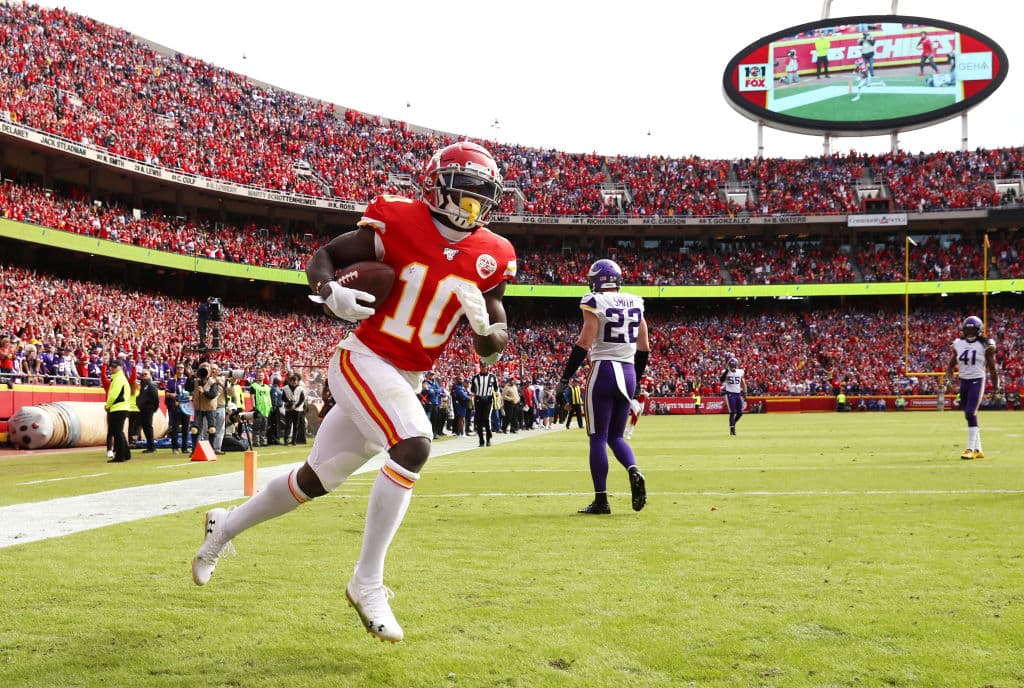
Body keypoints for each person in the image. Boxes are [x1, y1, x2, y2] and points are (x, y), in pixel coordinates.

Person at [190, 141, 516, 643]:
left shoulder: (494, 254)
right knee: (414, 443)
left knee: (315, 479)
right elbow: (324, 257)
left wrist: (485, 333)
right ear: (438, 187)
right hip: (362, 358)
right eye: (468, 195)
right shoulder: (399, 220)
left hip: (407, 375)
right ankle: (367, 582)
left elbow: (494, 342)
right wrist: (329, 292)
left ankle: (222, 530)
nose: (476, 207)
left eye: (483, 198)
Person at [555, 258, 650, 515]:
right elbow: (644, 347)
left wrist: (564, 379)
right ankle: (634, 470)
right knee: (616, 436)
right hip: (629, 370)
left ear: (596, 280)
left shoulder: (595, 300)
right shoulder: (636, 302)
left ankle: (601, 500)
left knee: (597, 437)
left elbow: (585, 341)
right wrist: (637, 380)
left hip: (604, 369)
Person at [945, 316, 1000, 460]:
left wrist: (996, 387)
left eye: (972, 329)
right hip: (963, 381)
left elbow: (992, 368)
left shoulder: (986, 345)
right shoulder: (958, 343)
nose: (969, 332)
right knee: (969, 414)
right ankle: (979, 449)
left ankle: (969, 449)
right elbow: (951, 365)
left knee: (970, 412)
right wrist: (948, 378)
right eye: (967, 329)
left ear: (979, 330)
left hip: (977, 380)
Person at [104, 359, 132, 463]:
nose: (112, 368)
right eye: (111, 366)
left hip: (118, 407)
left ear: (120, 367)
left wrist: (108, 405)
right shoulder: (120, 378)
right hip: (122, 407)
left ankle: (120, 456)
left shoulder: (118, 378)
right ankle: (126, 453)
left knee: (117, 432)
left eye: (115, 366)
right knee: (119, 432)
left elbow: (113, 395)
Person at [470, 362, 498, 447]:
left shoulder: (492, 377)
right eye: (481, 366)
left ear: (487, 367)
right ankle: (481, 440)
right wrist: (472, 397)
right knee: (478, 420)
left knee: (486, 419)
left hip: (488, 399)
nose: (482, 368)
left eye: (484, 366)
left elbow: (496, 388)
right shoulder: (475, 377)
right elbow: (473, 390)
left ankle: (488, 438)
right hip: (478, 400)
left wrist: (496, 393)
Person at [720, 357, 748, 435]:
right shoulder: (726, 371)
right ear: (729, 365)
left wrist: (745, 392)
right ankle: (732, 429)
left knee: (740, 412)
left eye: (734, 365)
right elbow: (721, 380)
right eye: (731, 365)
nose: (732, 366)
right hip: (729, 393)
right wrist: (726, 370)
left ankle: (733, 423)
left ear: (736, 365)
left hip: (738, 393)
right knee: (732, 412)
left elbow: (743, 383)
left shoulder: (740, 372)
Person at [135, 368, 160, 453]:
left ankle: (152, 447)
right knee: (145, 427)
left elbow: (156, 398)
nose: (144, 376)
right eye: (142, 374)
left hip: (148, 408)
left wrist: (154, 408)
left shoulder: (151, 385)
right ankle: (150, 446)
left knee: (148, 427)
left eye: (145, 374)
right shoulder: (143, 385)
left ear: (150, 375)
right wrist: (138, 402)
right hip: (143, 408)